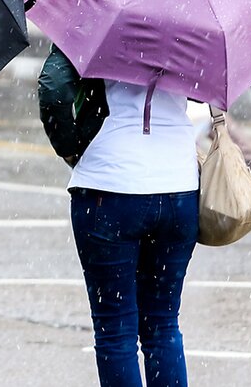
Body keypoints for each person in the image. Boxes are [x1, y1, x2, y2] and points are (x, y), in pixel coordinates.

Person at [39, 47, 199, 387]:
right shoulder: (192, 13)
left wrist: (70, 145)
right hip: (178, 187)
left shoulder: (95, 7)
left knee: (116, 330)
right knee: (163, 324)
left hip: (109, 185)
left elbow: (54, 89)